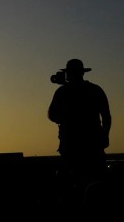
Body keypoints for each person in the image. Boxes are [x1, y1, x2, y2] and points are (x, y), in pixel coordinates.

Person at [48, 58, 112, 194]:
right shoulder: (95, 90)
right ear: (82, 73)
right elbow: (106, 116)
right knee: (96, 183)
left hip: (71, 145)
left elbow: (52, 115)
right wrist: (105, 136)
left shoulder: (62, 92)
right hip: (92, 144)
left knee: (72, 185)